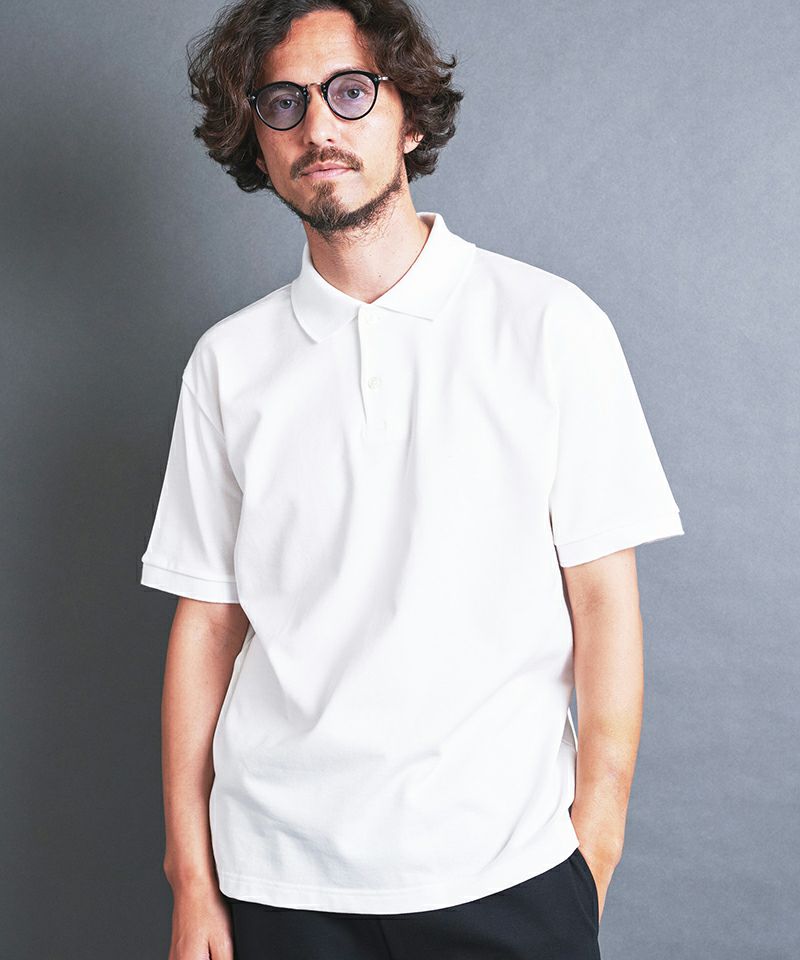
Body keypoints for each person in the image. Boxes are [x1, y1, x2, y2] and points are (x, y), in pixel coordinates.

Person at [139, 1, 685, 957]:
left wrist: (593, 847)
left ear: (411, 118)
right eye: (282, 103)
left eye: (351, 92)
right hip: (277, 880)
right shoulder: (227, 364)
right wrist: (192, 879)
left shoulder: (550, 325)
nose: (318, 126)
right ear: (257, 141)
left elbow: (604, 602)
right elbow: (208, 625)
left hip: (507, 871)